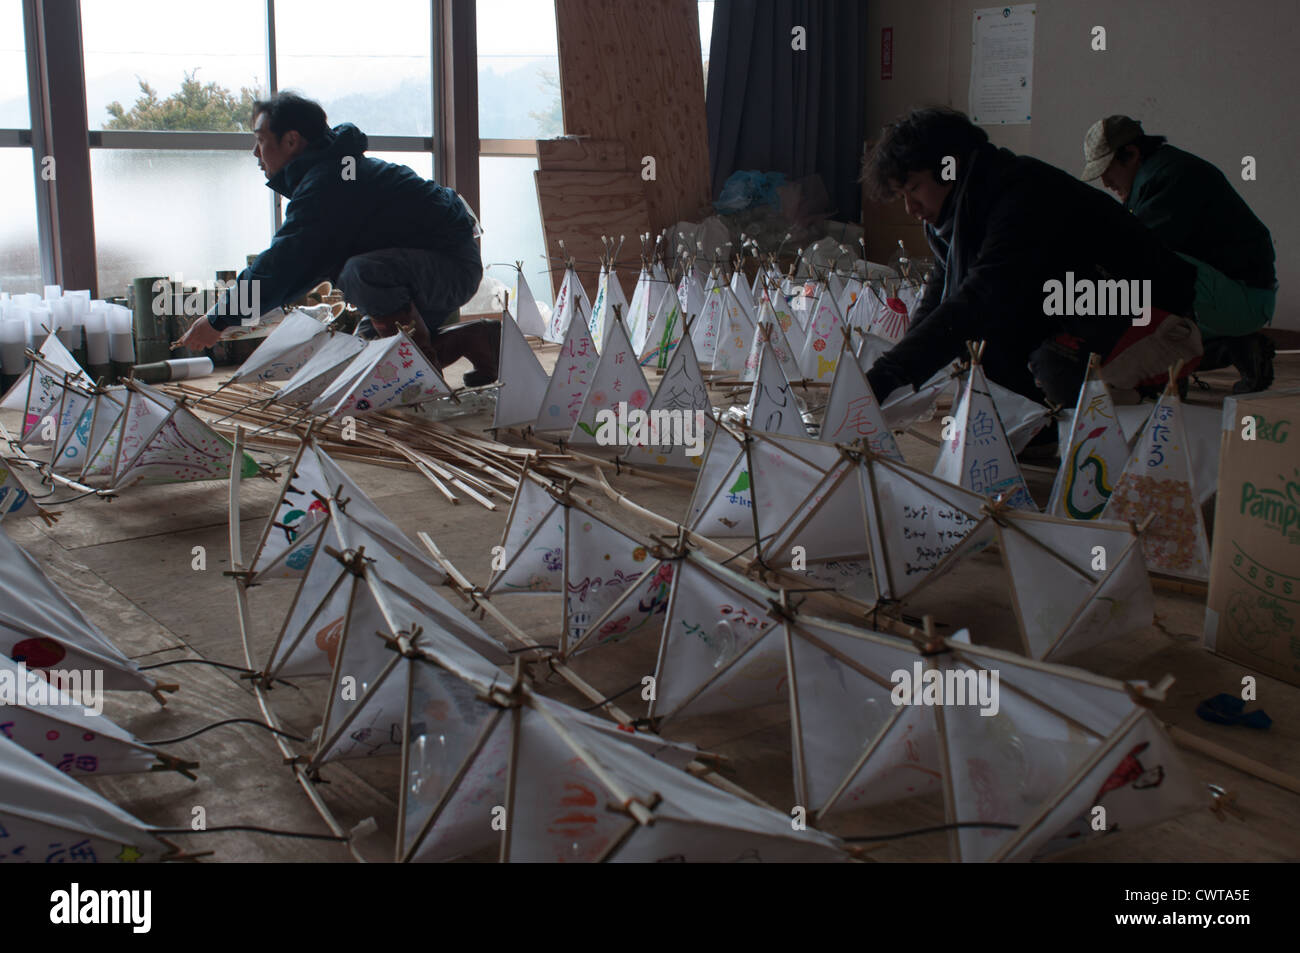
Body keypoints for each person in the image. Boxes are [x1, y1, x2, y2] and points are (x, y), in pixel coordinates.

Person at [861, 107, 1202, 411]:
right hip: (1088, 309)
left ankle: (1148, 395)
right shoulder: (961, 217)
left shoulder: (1021, 195)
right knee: (985, 350)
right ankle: (1042, 431)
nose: (910, 209)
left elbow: (980, 298)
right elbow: (939, 300)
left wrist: (887, 376)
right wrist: (891, 377)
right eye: (902, 196)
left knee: (1052, 366)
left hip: (1153, 316)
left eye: (914, 189)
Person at [177, 92, 498, 384]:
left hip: (451, 267)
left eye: (260, 140)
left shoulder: (331, 183)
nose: (254, 152)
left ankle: (421, 380)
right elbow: (300, 263)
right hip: (417, 273)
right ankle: (474, 339)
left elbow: (283, 263)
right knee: (363, 364)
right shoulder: (332, 173)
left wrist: (217, 319)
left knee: (359, 276)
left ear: (291, 140)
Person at [1082, 115, 1277, 393]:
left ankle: (1167, 379)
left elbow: (1137, 255)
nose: (1104, 181)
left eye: (1107, 169)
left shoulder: (1171, 177)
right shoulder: (1153, 178)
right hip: (1232, 299)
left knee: (1146, 268)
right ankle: (1235, 347)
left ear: (1132, 154)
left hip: (1242, 299)